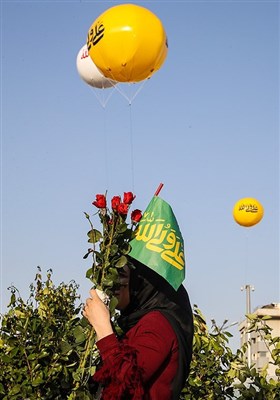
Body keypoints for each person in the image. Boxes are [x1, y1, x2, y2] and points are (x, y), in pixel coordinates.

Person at [83, 258, 194, 400]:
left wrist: (103, 327)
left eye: (122, 275)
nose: (113, 284)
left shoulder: (158, 324)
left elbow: (127, 381)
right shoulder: (136, 324)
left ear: (141, 281)